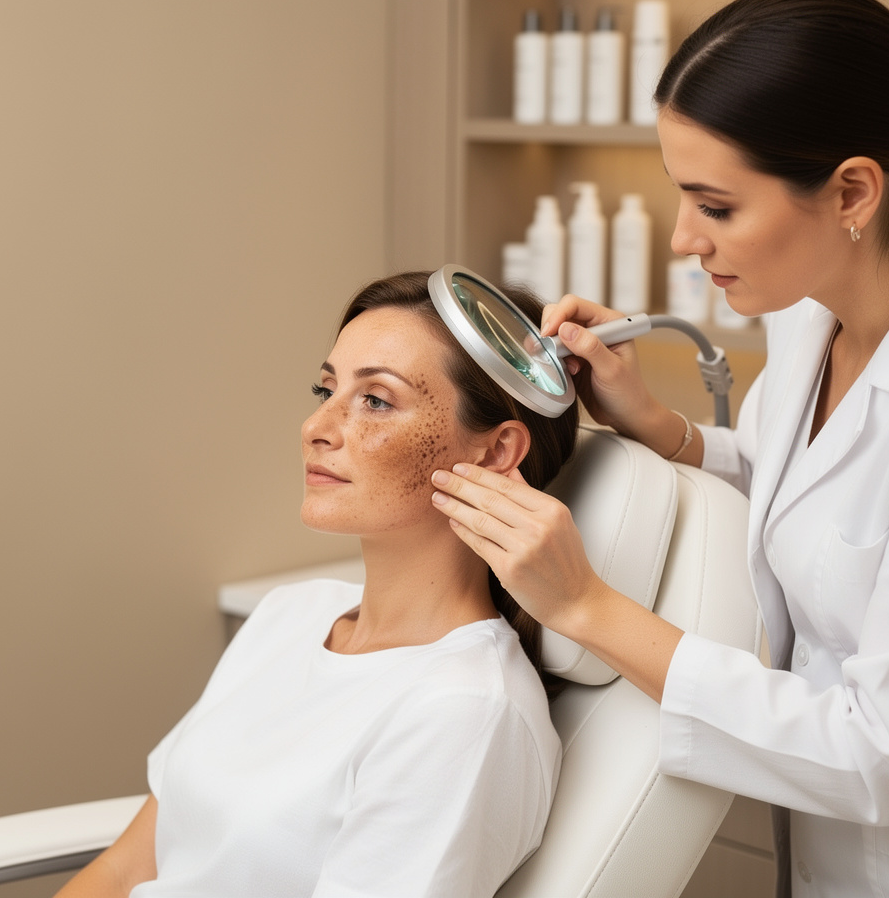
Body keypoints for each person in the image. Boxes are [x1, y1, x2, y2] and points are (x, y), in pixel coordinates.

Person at [430, 0, 889, 897]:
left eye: (715, 207)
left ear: (851, 191)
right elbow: (802, 492)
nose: (684, 239)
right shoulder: (812, 317)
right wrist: (659, 427)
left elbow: (877, 755)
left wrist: (584, 608)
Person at [57, 272, 577, 898]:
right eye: (326, 389)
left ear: (495, 454)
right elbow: (126, 869)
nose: (316, 426)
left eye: (376, 400)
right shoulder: (291, 615)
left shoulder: (463, 710)